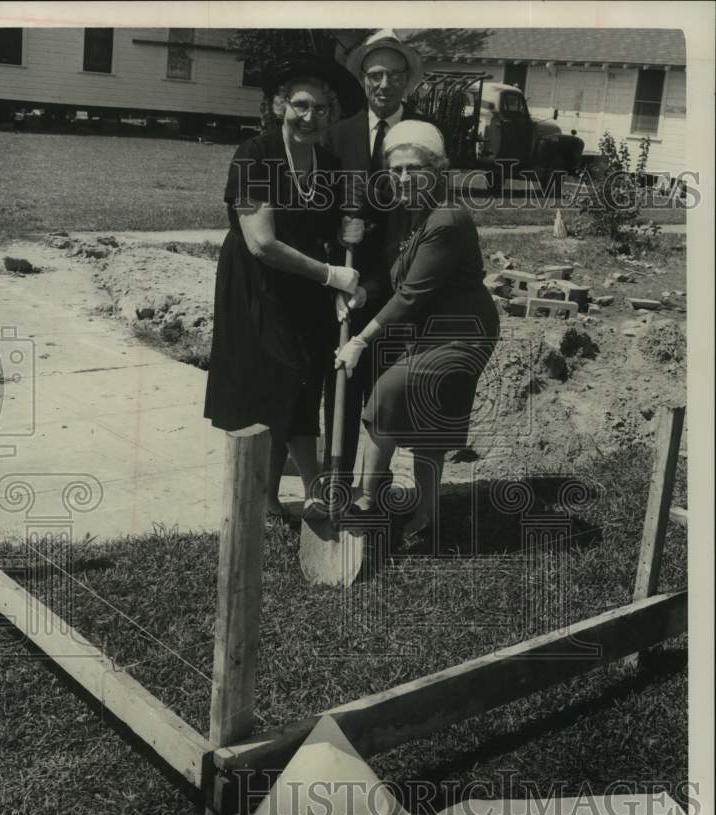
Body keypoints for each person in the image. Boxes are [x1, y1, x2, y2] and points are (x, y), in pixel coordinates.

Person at [203, 56, 364, 520]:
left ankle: (282, 498)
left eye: (320, 109)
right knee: (267, 384)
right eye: (300, 104)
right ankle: (271, 498)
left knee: (300, 385)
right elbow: (261, 243)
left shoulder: (329, 164)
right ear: (280, 106)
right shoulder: (253, 155)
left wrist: (347, 240)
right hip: (256, 287)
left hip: (304, 289)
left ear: (331, 116)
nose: (309, 117)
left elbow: (332, 231)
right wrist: (331, 275)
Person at [334, 121, 500, 541]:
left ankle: (367, 502)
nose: (403, 178)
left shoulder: (446, 219)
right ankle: (426, 517)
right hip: (432, 330)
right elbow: (395, 280)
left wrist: (359, 340)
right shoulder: (413, 216)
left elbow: (410, 297)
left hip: (463, 333)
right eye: (396, 170)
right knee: (431, 426)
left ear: (437, 171)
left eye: (413, 169)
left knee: (387, 393)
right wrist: (362, 293)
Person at [322, 28, 434, 492]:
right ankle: (336, 483)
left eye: (393, 75)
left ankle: (375, 490)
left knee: (384, 397)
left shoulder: (424, 136)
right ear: (363, 80)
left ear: (408, 80)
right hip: (346, 288)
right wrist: (337, 241)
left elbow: (432, 213)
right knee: (341, 388)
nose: (383, 84)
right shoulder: (338, 133)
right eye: (374, 75)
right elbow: (321, 208)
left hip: (399, 289)